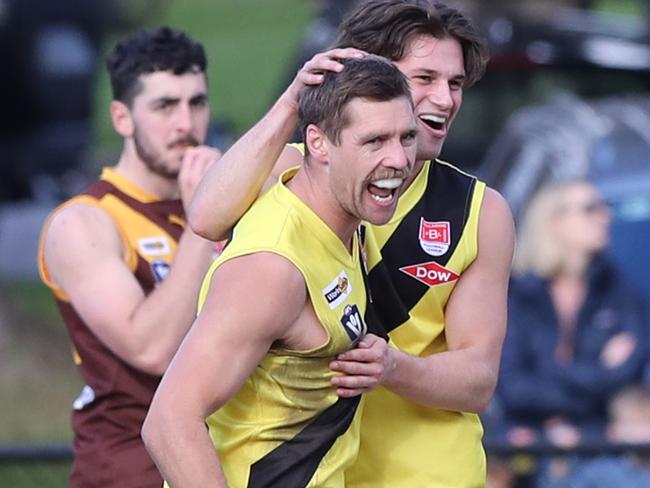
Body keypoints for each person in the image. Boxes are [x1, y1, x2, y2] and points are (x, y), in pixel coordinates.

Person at [187, 1, 515, 486]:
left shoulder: (479, 211)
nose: (444, 100)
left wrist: (392, 367)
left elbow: (479, 379)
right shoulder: (296, 171)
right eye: (424, 79)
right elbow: (205, 216)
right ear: (370, 76)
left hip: (427, 473)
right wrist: (293, 103)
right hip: (316, 470)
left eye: (455, 83)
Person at [141, 55, 418, 487]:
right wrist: (291, 101)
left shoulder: (314, 191)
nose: (399, 159)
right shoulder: (273, 268)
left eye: (407, 137)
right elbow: (168, 423)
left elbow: (207, 213)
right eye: (375, 141)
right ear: (319, 144)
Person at [37, 26, 221, 487]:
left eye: (196, 103)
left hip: (221, 460)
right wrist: (206, 220)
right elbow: (151, 348)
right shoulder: (83, 223)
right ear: (122, 118)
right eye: (165, 106)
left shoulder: (230, 202)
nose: (186, 123)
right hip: (129, 469)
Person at [498, 180, 647, 450]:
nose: (605, 216)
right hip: (530, 448)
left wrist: (550, 375)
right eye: (590, 209)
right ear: (554, 222)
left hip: (600, 446)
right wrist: (599, 372)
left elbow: (629, 372)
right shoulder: (520, 296)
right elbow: (513, 389)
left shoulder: (619, 291)